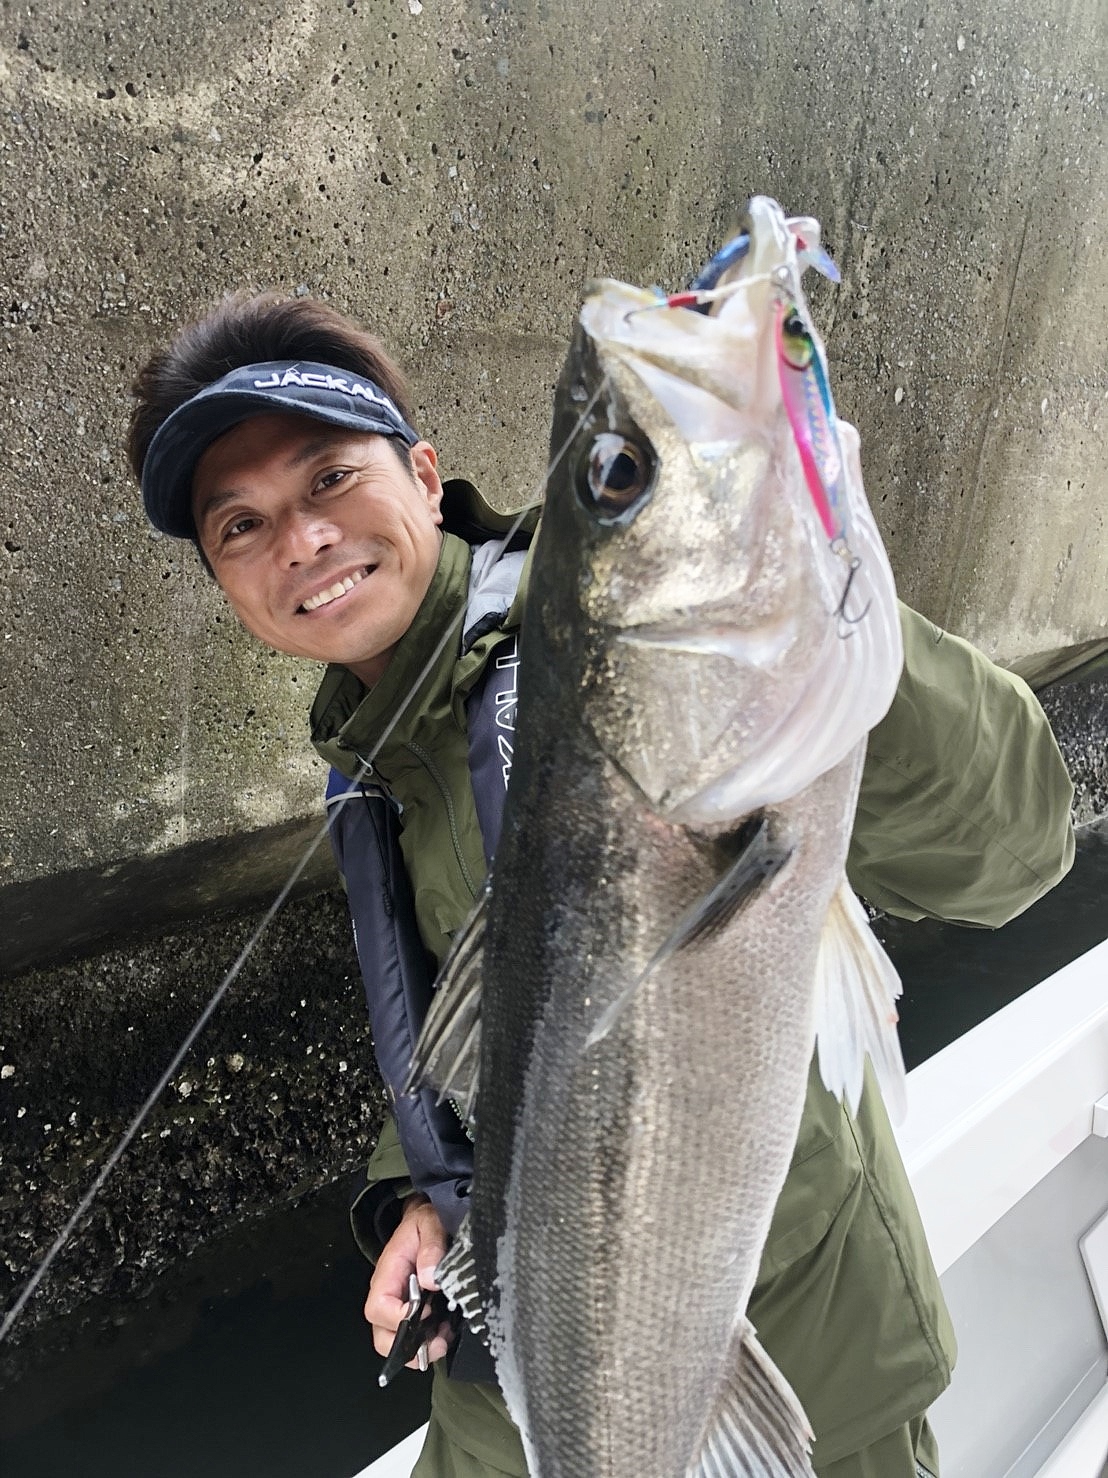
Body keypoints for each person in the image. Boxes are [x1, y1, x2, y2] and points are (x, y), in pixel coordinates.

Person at [129, 288, 1075, 1478]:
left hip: (794, 1368)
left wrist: (821, 609)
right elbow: (489, 1037)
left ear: (425, 472)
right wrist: (407, 1198)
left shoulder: (589, 640)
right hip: (521, 1377)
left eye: (328, 479)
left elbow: (1014, 845)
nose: (301, 540)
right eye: (241, 526)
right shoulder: (378, 763)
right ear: (226, 583)